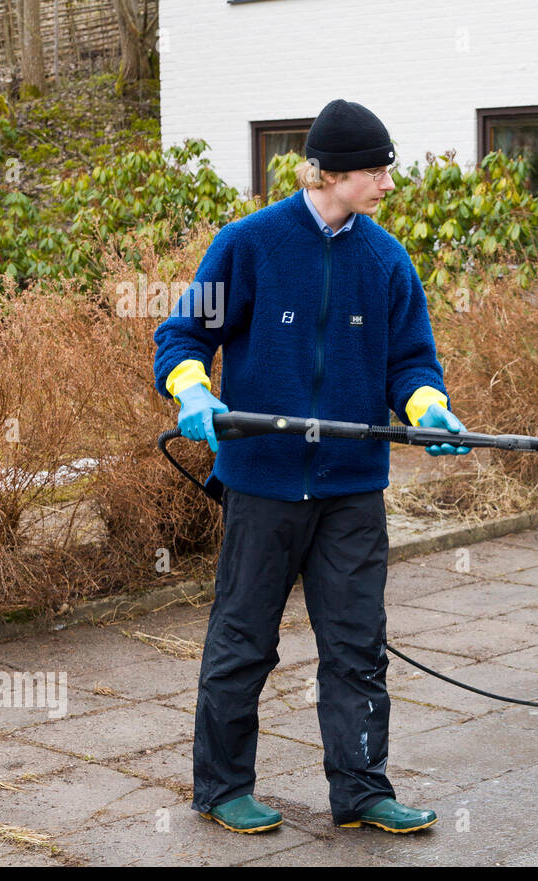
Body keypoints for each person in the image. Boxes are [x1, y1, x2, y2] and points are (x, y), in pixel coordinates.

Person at [152, 99, 469, 835]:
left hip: (353, 489)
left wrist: (427, 407)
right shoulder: (249, 245)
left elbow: (411, 360)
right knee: (243, 642)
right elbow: (183, 335)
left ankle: (362, 792)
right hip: (262, 482)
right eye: (375, 169)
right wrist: (193, 389)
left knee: (358, 646)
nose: (388, 182)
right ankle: (223, 787)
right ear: (328, 173)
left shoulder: (386, 259)